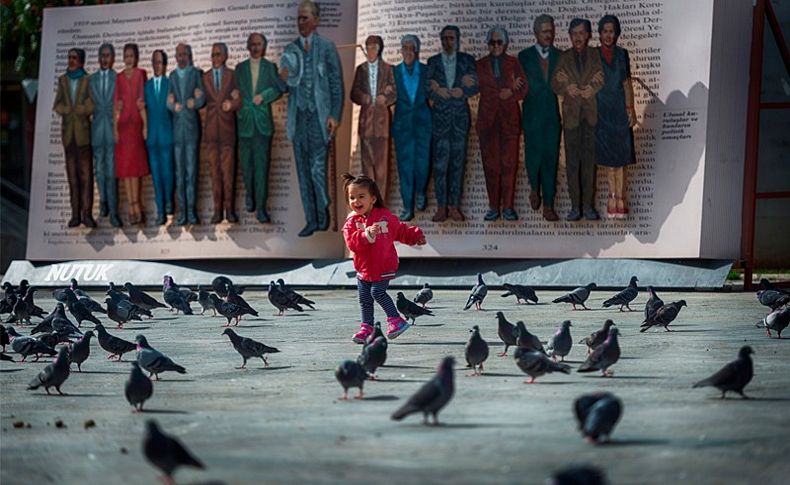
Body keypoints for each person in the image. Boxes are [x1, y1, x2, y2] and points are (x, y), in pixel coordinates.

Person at [280, 0, 344, 237]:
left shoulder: (326, 47)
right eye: (298, 18)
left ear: (316, 20)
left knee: (318, 169)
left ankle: (322, 208)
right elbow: (282, 85)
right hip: (298, 121)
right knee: (303, 172)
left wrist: (335, 116)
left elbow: (337, 85)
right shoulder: (291, 50)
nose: (301, 22)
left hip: (319, 119)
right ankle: (311, 220)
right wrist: (282, 78)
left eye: (305, 18)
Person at [342, 173, 426, 344]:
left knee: (377, 292)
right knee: (364, 299)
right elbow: (351, 242)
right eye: (352, 197)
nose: (356, 201)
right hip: (363, 268)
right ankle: (367, 328)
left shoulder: (384, 217)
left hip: (383, 265)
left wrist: (415, 236)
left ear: (372, 199)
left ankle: (396, 320)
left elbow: (401, 230)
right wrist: (365, 234)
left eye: (361, 197)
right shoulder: (351, 222)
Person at [552, 18, 604, 221]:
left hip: (591, 116)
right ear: (570, 36)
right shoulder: (564, 57)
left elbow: (602, 77)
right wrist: (566, 87)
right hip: (572, 116)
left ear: (589, 35)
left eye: (581, 33)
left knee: (589, 162)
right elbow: (555, 83)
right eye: (574, 34)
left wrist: (594, 88)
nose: (578, 38)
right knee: (572, 163)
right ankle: (575, 207)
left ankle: (588, 206)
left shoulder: (595, 54)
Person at [426, 25, 479, 222]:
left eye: (452, 38)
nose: (448, 42)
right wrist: (436, 91)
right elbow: (425, 88)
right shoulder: (432, 62)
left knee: (457, 163)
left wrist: (463, 90)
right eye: (445, 38)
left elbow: (476, 85)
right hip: (439, 119)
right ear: (441, 40)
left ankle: (454, 206)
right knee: (440, 164)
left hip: (459, 118)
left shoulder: (466, 61)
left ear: (458, 40)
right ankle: (441, 207)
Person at [476, 26, 528, 221]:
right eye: (492, 42)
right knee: (490, 166)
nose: (495, 46)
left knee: (509, 164)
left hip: (509, 122)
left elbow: (524, 88)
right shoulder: (480, 64)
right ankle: (492, 207)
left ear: (505, 44)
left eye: (499, 42)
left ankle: (508, 207)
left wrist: (512, 92)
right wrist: (506, 88)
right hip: (487, 122)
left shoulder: (514, 63)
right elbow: (482, 86)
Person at [518, 15, 562, 221]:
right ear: (536, 33)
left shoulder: (560, 56)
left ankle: (549, 205)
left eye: (551, 31)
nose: (549, 35)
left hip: (552, 115)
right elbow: (517, 84)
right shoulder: (523, 56)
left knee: (550, 158)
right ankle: (534, 187)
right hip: (531, 115)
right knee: (533, 155)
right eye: (545, 31)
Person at [236, 33, 283, 224]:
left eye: (259, 44)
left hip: (263, 125)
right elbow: (235, 92)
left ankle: (262, 208)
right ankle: (250, 195)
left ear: (264, 47)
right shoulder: (239, 69)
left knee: (262, 168)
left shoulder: (270, 67)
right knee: (246, 166)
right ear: (248, 47)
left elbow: (278, 89)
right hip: (245, 123)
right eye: (253, 44)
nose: (256, 47)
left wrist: (264, 95)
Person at [595, 15, 637, 219]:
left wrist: (631, 108)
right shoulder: (593, 55)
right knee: (610, 161)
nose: (608, 35)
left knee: (621, 160)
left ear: (617, 33)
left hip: (620, 110)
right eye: (605, 31)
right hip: (602, 111)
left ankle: (621, 199)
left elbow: (627, 82)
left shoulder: (622, 54)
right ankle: (611, 198)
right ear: (600, 33)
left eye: (612, 31)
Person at [350, 35, 396, 200]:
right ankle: (370, 201)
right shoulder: (361, 69)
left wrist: (386, 98)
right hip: (365, 123)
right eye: (368, 47)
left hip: (382, 122)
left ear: (379, 49)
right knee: (367, 165)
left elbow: (395, 93)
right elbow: (354, 93)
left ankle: (381, 201)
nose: (370, 51)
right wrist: (364, 98)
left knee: (382, 166)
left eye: (374, 47)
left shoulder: (388, 69)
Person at [54, 48, 95, 228]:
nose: (71, 61)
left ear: (81, 61)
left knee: (86, 176)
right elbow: (57, 105)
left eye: (74, 58)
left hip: (83, 134)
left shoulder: (87, 79)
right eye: (69, 57)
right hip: (68, 135)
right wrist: (66, 110)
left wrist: (84, 109)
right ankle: (75, 214)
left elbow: (93, 102)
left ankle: (87, 214)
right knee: (72, 177)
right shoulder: (62, 80)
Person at [392, 34, 431, 222]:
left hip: (423, 124)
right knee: (405, 167)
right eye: (404, 48)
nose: (407, 52)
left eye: (411, 49)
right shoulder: (394, 72)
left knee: (423, 163)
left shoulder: (426, 70)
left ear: (417, 51)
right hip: (402, 127)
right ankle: (408, 206)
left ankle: (421, 191)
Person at [202, 42, 241, 224]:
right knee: (214, 173)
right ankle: (217, 210)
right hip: (210, 132)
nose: (215, 58)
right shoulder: (205, 77)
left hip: (227, 131)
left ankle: (229, 209)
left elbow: (240, 98)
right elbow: (201, 99)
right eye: (213, 55)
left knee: (228, 173)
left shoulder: (232, 75)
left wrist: (232, 104)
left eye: (218, 54)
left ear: (225, 56)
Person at [167, 43, 206, 226]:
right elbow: (168, 100)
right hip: (177, 129)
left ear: (190, 56)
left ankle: (191, 211)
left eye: (184, 54)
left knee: (191, 170)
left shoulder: (196, 74)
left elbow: (202, 97)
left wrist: (196, 102)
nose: (181, 57)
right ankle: (182, 212)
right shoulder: (172, 76)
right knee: (179, 172)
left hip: (191, 128)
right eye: (178, 54)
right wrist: (171, 106)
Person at [114, 43, 149, 226]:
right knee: (125, 169)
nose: (129, 59)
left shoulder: (140, 74)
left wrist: (145, 126)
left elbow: (141, 100)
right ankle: (130, 205)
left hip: (135, 124)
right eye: (126, 56)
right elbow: (116, 104)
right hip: (123, 127)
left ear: (136, 57)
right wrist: (114, 128)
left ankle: (137, 205)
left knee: (135, 169)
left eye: (131, 56)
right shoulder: (119, 77)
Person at [88, 43, 121, 227]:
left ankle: (114, 211)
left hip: (112, 129)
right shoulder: (90, 80)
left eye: (108, 55)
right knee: (99, 171)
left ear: (113, 58)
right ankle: (103, 202)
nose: (105, 59)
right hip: (97, 130)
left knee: (111, 171)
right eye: (102, 55)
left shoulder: (118, 78)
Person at [144, 49, 175, 225]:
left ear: (164, 65)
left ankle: (169, 200)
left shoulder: (170, 84)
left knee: (167, 172)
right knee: (156, 175)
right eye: (154, 62)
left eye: (160, 62)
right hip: (152, 138)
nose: (157, 66)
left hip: (166, 135)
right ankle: (160, 211)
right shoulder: (146, 86)